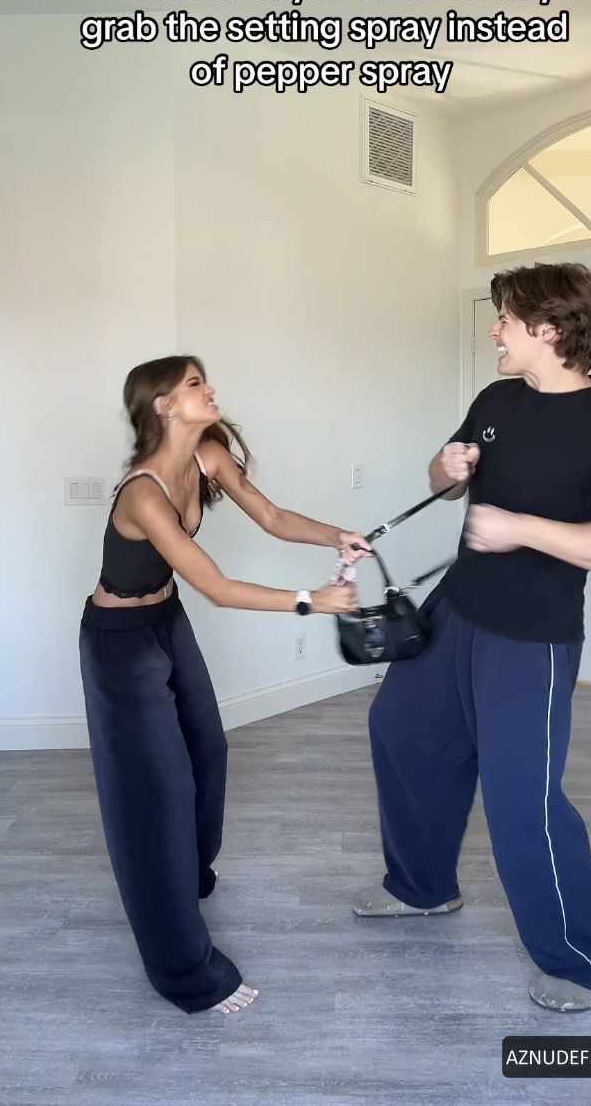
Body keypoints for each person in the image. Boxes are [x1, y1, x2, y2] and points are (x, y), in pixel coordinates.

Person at [354, 263, 591, 1012]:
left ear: (549, 330)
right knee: (400, 729)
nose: (494, 329)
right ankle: (422, 886)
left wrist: (523, 528)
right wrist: (447, 467)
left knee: (521, 799)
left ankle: (588, 962)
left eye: (505, 318)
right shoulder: (497, 399)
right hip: (456, 609)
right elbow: (445, 481)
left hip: (533, 636)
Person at [79, 354, 370, 1016]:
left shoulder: (206, 454)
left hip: (165, 620)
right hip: (118, 642)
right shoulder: (143, 493)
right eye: (193, 383)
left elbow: (270, 515)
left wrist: (338, 536)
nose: (209, 389)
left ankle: (187, 874)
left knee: (208, 751)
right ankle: (184, 970)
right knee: (155, 794)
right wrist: (312, 601)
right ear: (162, 405)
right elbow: (216, 586)